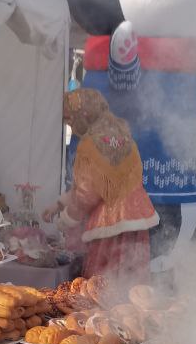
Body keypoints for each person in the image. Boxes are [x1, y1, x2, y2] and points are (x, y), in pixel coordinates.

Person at [43, 89, 158, 290]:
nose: (69, 124)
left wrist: (65, 220)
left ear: (83, 115)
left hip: (110, 225)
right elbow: (102, 182)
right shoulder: (124, 138)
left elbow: (87, 193)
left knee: (103, 289)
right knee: (132, 287)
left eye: (70, 119)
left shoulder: (90, 143)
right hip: (137, 220)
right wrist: (58, 204)